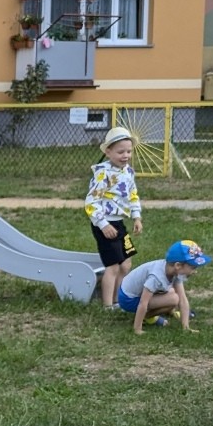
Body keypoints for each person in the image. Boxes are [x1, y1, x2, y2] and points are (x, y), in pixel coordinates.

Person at [86, 126, 144, 310]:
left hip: (119, 223)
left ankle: (120, 299)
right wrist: (103, 224)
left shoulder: (128, 172)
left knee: (126, 263)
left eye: (128, 151)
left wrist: (136, 217)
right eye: (120, 152)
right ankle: (108, 305)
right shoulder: (103, 173)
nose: (125, 155)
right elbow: (91, 202)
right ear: (108, 152)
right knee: (113, 266)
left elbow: (132, 194)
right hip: (105, 225)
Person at [118, 239, 211, 334]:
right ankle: (146, 317)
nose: (195, 271)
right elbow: (143, 303)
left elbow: (183, 299)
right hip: (128, 299)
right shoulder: (156, 277)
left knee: (173, 294)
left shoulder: (175, 271)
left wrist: (186, 327)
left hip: (138, 293)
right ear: (178, 265)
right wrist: (137, 329)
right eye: (193, 267)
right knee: (173, 299)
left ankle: (166, 312)